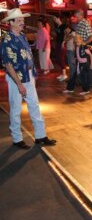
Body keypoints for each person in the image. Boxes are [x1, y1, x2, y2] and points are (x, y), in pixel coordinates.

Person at [0, 8, 56, 149]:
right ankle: (17, 138)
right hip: (16, 79)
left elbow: (28, 56)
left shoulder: (22, 36)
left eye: (22, 20)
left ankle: (40, 136)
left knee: (34, 105)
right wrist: (19, 84)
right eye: (19, 20)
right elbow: (8, 64)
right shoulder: (7, 39)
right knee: (16, 108)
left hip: (29, 76)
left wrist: (33, 75)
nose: (22, 22)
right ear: (11, 22)